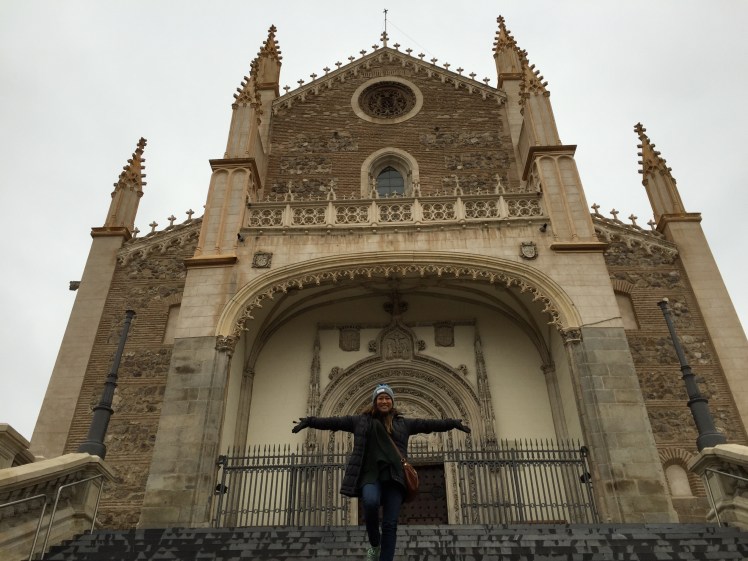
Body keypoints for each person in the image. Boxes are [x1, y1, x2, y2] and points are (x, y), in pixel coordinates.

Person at [291, 383, 470, 561]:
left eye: (387, 398)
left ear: (392, 401)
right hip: (370, 474)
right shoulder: (360, 421)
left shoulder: (403, 423)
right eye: (380, 398)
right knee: (370, 503)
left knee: (390, 524)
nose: (384, 401)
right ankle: (375, 543)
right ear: (375, 401)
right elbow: (335, 422)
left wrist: (452, 423)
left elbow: (427, 424)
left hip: (395, 477)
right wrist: (310, 422)